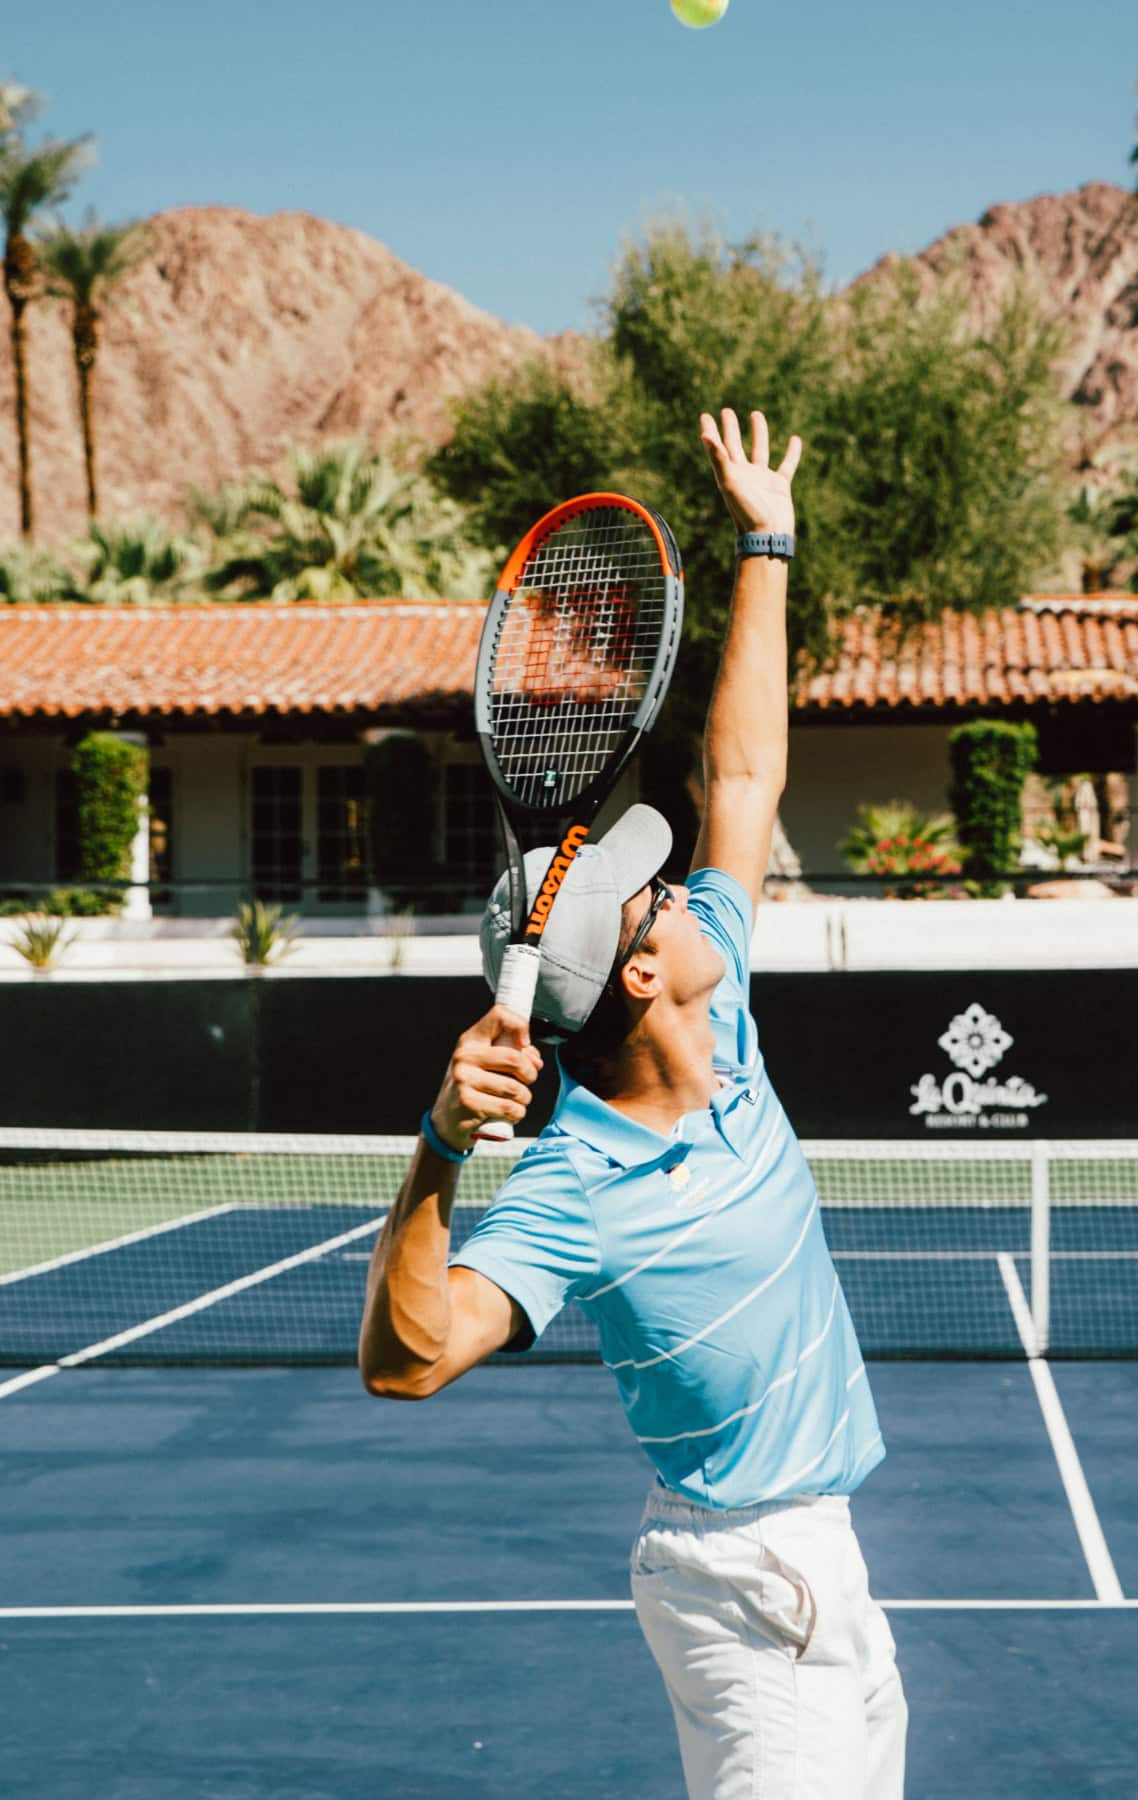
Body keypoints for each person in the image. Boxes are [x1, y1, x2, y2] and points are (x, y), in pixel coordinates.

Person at [358, 409, 906, 1800]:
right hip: (745, 1587)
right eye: (665, 887)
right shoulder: (572, 1186)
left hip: (826, 1570)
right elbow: (408, 1361)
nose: (703, 876)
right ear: (648, 967)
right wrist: (435, 1153)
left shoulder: (723, 1018)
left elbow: (742, 771)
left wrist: (765, 539)